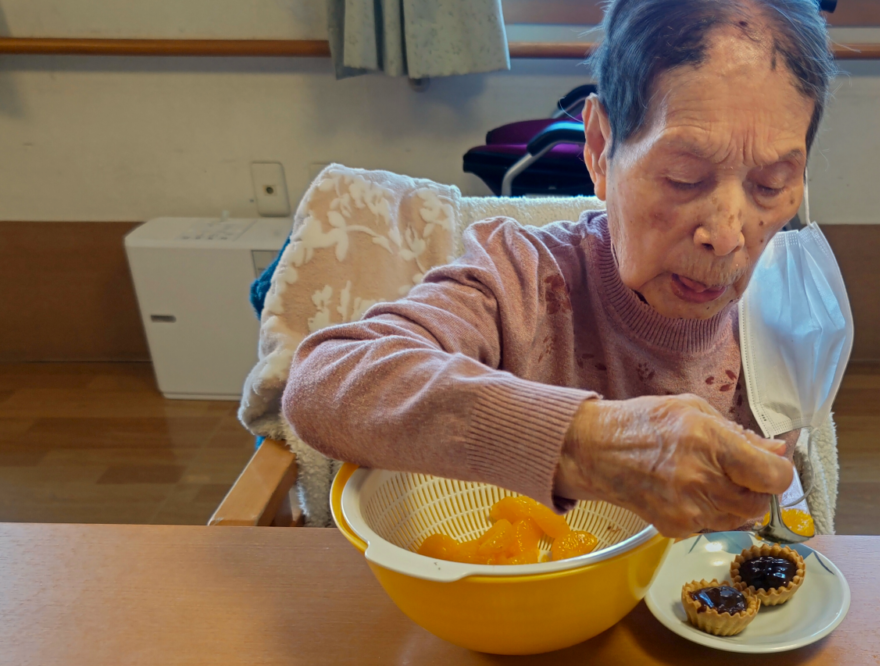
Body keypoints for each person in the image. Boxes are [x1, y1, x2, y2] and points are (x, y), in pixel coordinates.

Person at [283, 0, 838, 539]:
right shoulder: (521, 281)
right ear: (599, 148)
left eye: (769, 186)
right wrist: (586, 445)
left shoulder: (793, 312)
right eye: (684, 178)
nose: (725, 235)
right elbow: (323, 382)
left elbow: (787, 516)